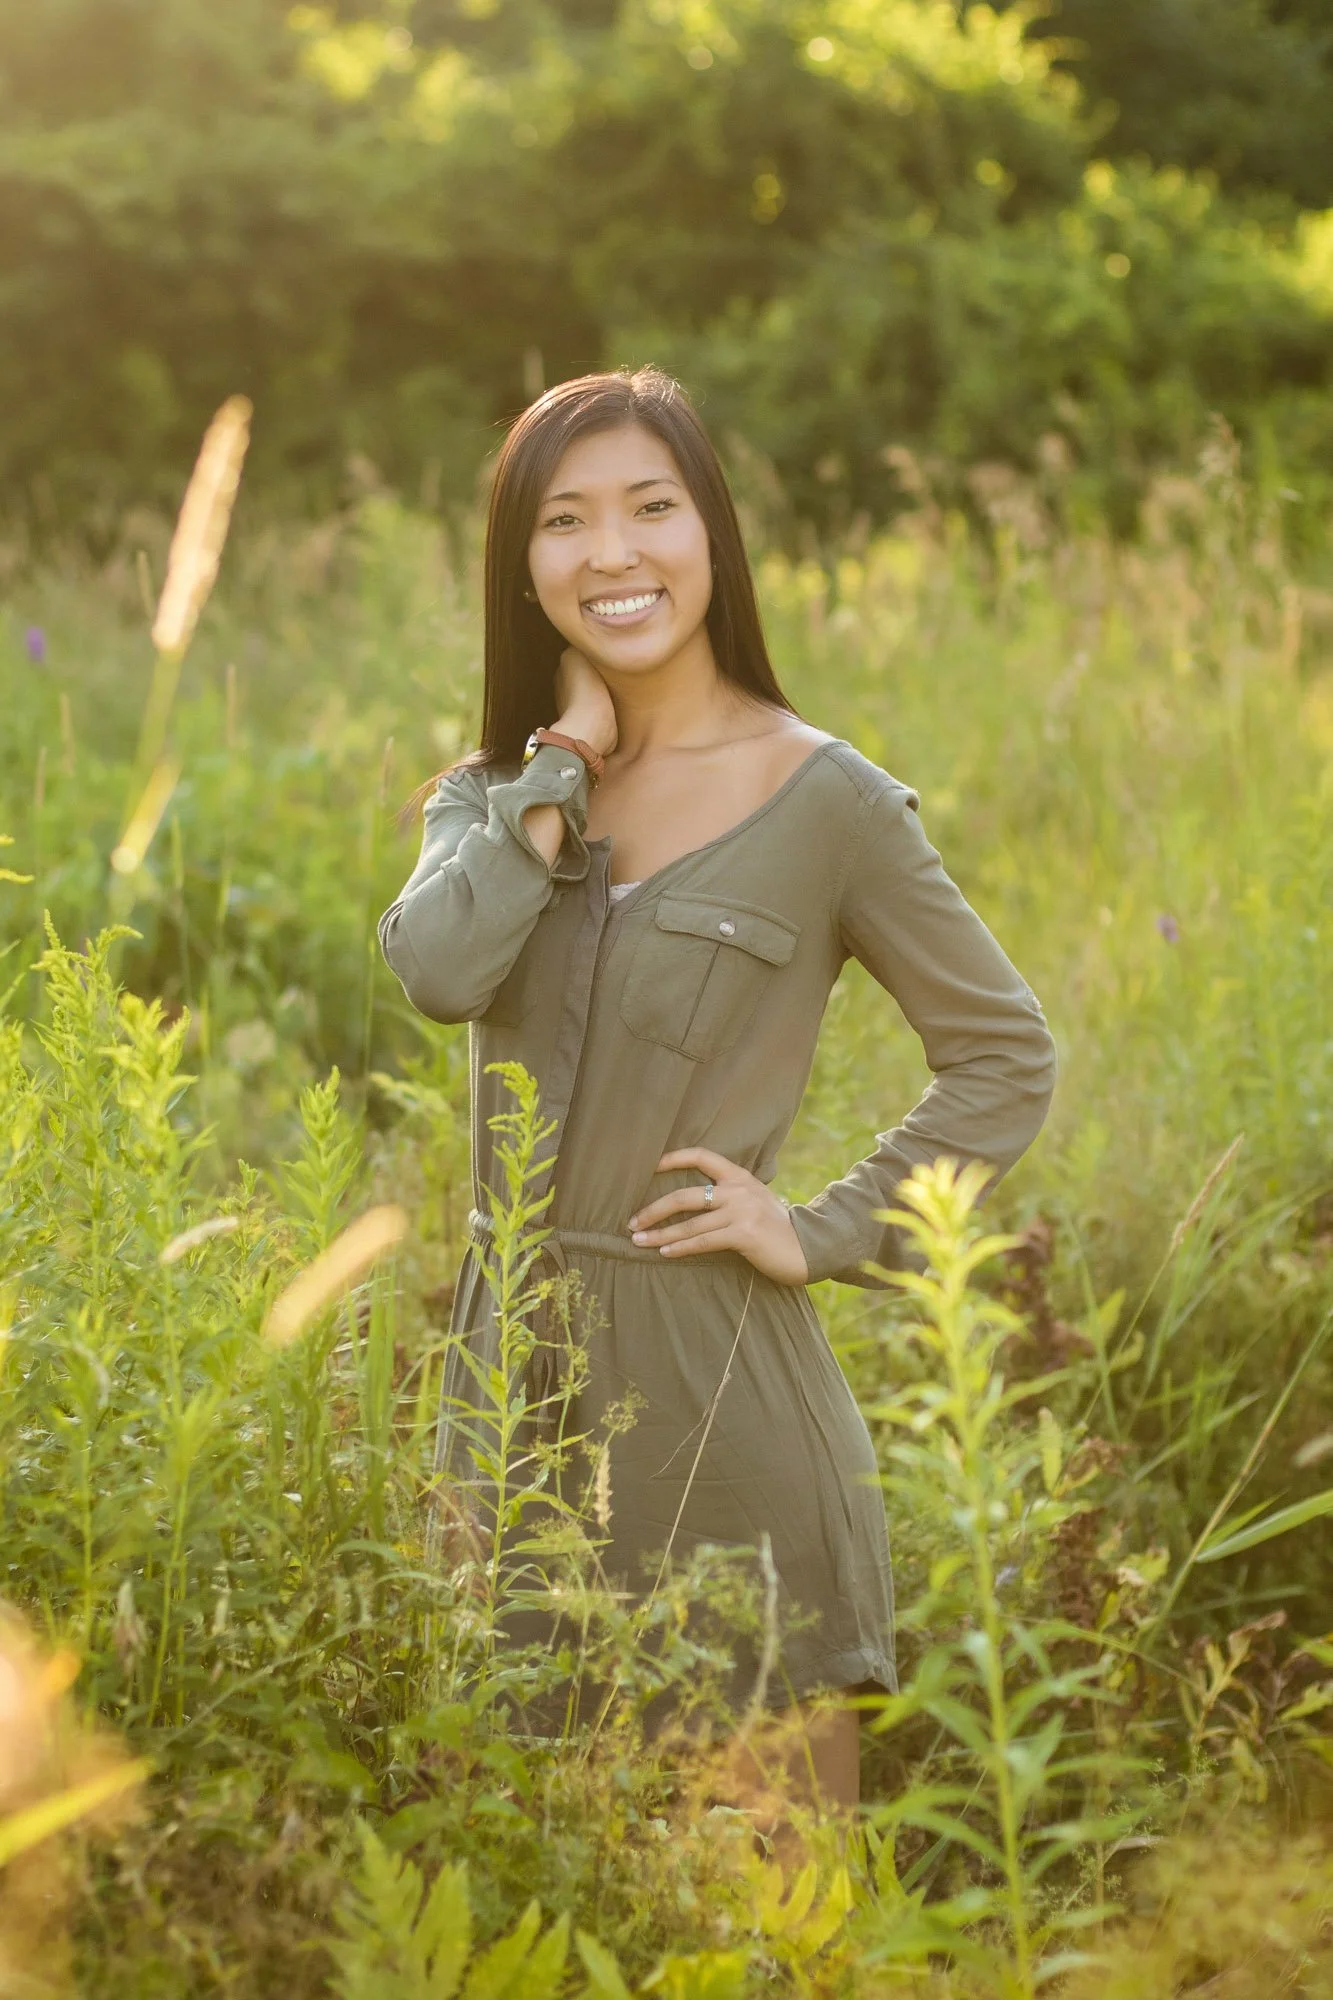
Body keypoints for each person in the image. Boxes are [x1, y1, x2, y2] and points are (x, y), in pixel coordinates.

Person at [379, 365, 1057, 1820]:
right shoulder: (489, 799)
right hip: (505, 1421)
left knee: (772, 1931)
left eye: (651, 508)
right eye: (565, 520)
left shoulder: (831, 802)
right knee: (516, 1889)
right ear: (524, 566)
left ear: (713, 535)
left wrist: (825, 1226)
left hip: (722, 1414)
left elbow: (1004, 1052)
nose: (612, 553)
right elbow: (439, 973)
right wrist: (557, 769)